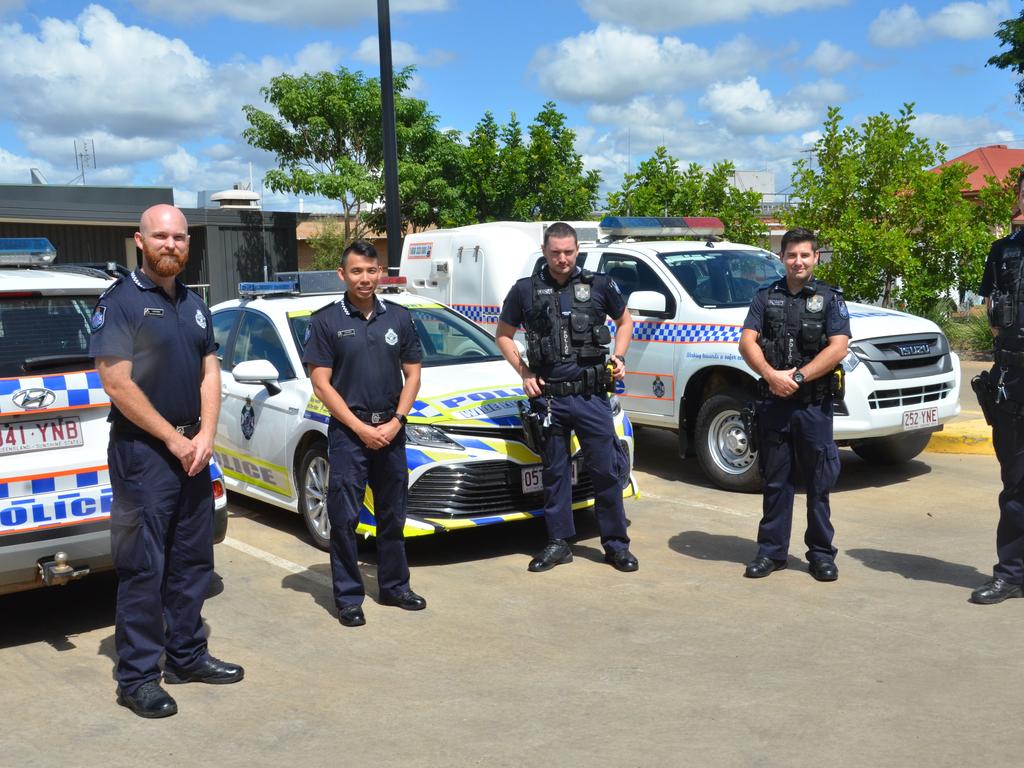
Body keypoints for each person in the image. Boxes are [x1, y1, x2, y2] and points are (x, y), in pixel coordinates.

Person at [90, 204, 243, 719]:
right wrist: (174, 441)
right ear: (140, 240)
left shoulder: (195, 306)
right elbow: (116, 382)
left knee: (193, 560)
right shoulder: (122, 302)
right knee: (143, 568)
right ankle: (137, 677)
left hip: (193, 453)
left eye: (179, 237)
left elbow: (209, 373)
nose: (171, 244)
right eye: (161, 236)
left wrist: (204, 435)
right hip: (144, 456)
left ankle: (186, 655)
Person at [495, 222, 637, 573]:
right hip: (549, 399)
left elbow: (625, 322)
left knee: (606, 471)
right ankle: (559, 543)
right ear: (545, 251)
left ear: (577, 251)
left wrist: (618, 358)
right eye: (556, 252)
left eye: (569, 252)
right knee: (555, 473)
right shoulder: (525, 290)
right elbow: (503, 335)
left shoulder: (599, 285)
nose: (562, 259)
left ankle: (616, 545)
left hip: (591, 396)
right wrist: (525, 373)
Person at [303, 240, 425, 627]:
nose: (365, 278)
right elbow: (321, 384)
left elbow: (414, 373)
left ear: (381, 273)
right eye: (357, 271)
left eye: (372, 271)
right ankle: (349, 598)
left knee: (393, 514)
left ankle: (394, 586)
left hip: (391, 428)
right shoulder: (325, 321)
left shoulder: (399, 318)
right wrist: (359, 428)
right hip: (348, 434)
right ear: (343, 274)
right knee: (344, 518)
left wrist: (397, 421)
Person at [738, 227, 850, 582]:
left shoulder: (830, 299)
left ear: (816, 257)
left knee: (819, 483)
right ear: (782, 258)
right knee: (776, 481)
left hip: (813, 406)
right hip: (774, 403)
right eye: (791, 255)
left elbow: (838, 347)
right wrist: (772, 376)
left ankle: (820, 554)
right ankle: (771, 553)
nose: (798, 261)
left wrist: (797, 377)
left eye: (805, 255)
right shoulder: (764, 297)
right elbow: (747, 342)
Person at [971, 170, 1024, 605]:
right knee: (1015, 484)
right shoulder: (1002, 251)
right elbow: (991, 310)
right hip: (1013, 379)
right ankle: (1011, 574)